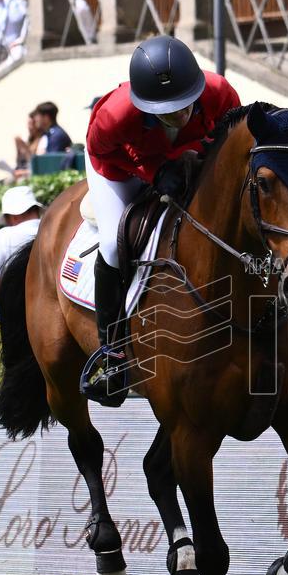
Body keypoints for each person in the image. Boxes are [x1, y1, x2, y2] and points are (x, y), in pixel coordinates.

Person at [83, 34, 240, 405]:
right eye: (166, 109)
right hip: (118, 169)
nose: (179, 114)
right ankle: (112, 352)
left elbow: (233, 140)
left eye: (185, 104)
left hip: (187, 161)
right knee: (110, 244)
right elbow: (99, 150)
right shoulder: (114, 114)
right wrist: (152, 172)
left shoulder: (219, 92)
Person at [0, 185, 42, 308]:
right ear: (36, 210)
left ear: (14, 216)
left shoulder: (4, 236)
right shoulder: (55, 231)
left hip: (15, 322)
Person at [14, 109, 41, 178]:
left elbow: (34, 163)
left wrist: (25, 148)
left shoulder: (42, 140)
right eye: (28, 124)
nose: (29, 127)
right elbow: (19, 162)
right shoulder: (29, 141)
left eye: (32, 124)